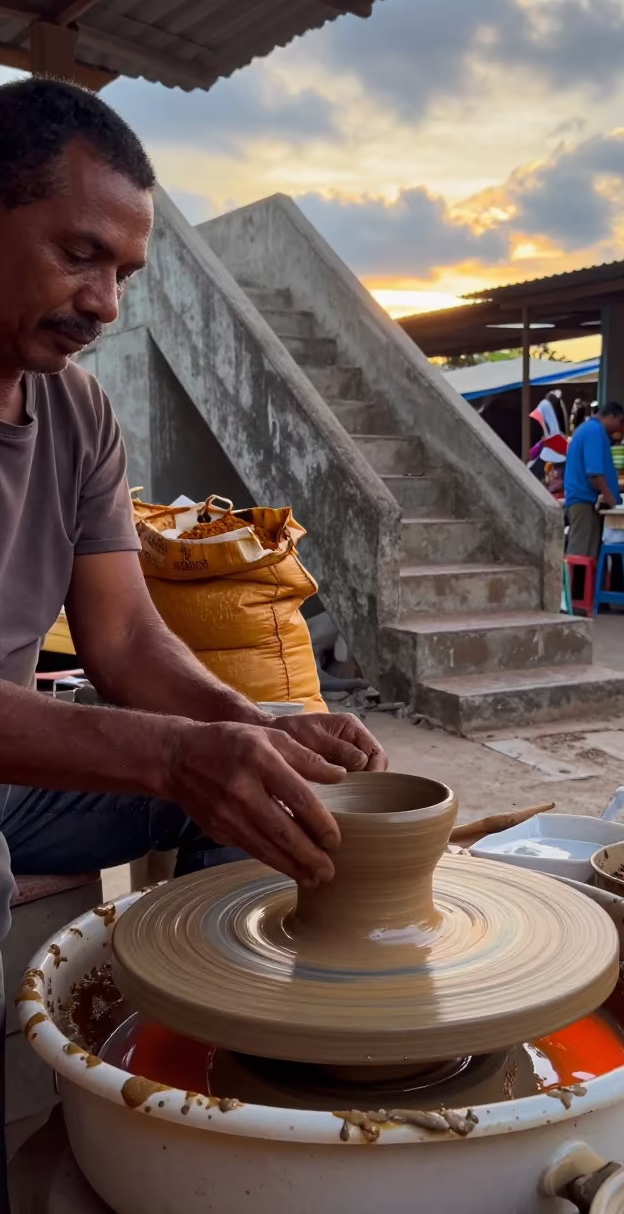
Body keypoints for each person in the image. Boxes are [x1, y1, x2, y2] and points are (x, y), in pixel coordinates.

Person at [0, 78, 388, 1200]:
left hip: (20, 774)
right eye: (81, 254)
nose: (106, 302)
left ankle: (227, 1075)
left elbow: (127, 643)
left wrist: (255, 728)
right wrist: (174, 753)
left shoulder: (77, 412)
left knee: (266, 799)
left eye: (124, 272)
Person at [564, 401, 624, 559]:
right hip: (584, 502)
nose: (621, 427)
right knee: (578, 555)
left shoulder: (590, 430)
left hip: (586, 503)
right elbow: (595, 475)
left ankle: (580, 584)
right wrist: (612, 502)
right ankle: (568, 584)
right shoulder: (594, 431)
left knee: (589, 557)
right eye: (620, 421)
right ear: (611, 417)